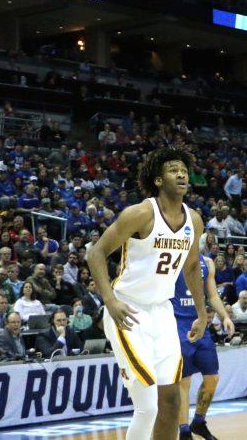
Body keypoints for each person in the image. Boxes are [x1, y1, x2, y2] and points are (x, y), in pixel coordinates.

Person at [86, 148, 207, 440]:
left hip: (163, 311)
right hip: (129, 309)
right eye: (173, 169)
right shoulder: (140, 213)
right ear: (157, 180)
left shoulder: (194, 220)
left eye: (183, 169)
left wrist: (202, 314)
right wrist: (110, 300)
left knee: (171, 401)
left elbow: (191, 268)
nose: (181, 174)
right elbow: (96, 253)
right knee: (148, 406)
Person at [173, 250, 234, 440]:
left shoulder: (207, 262)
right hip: (177, 323)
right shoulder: (171, 256)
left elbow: (213, 296)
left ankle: (198, 421)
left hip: (200, 322)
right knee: (184, 380)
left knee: (212, 378)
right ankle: (184, 431)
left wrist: (224, 316)